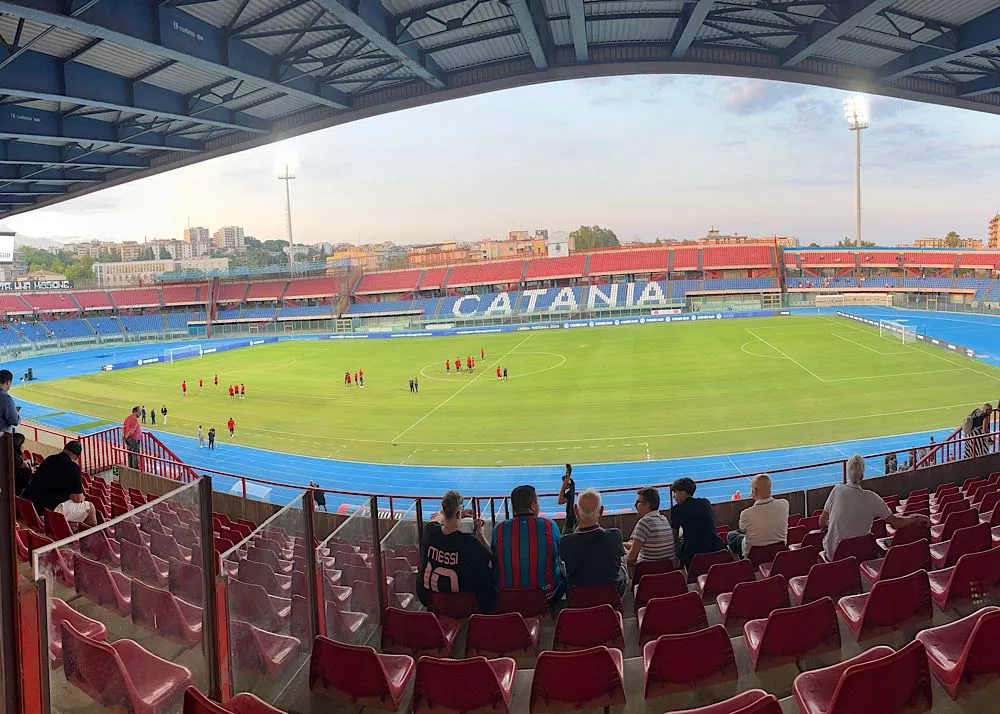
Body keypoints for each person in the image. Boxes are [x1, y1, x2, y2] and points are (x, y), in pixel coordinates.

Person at [819, 454, 930, 561]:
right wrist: (915, 517)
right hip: (862, 554)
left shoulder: (837, 490)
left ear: (848, 473)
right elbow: (896, 523)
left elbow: (822, 522)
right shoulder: (873, 498)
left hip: (834, 555)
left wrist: (835, 523)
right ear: (862, 475)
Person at [418, 490, 496, 613]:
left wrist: (452, 512)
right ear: (458, 514)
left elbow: (437, 519)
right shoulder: (469, 543)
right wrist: (480, 535)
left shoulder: (429, 531)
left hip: (431, 600)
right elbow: (492, 559)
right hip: (464, 605)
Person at [492, 485, 563, 602]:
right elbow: (559, 552)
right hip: (546, 595)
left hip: (507, 596)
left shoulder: (499, 529)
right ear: (533, 506)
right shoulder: (549, 525)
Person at [560, 488, 627, 596]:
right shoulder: (615, 535)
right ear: (601, 511)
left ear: (576, 510)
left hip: (579, 597)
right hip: (611, 595)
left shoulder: (565, 542)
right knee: (621, 558)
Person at [22, 441, 95, 526]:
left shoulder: (48, 459)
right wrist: (72, 496)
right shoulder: (74, 468)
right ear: (77, 457)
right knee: (90, 508)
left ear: (64, 449)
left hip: (31, 506)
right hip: (48, 511)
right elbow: (78, 499)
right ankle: (92, 538)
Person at [727, 474, 788, 559]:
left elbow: (742, 529)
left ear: (754, 490)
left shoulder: (746, 514)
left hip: (753, 556)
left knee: (731, 535)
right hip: (778, 552)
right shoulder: (784, 504)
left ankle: (737, 562)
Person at [669, 477, 725, 569]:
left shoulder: (677, 509)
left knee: (675, 545)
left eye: (675, 492)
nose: (673, 496)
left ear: (682, 493)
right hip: (716, 548)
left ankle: (678, 569)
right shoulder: (705, 503)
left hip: (693, 554)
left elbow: (674, 537)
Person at [627, 486, 676, 572]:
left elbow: (631, 558)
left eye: (638, 501)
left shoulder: (644, 523)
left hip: (647, 574)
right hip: (667, 572)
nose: (635, 505)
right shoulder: (664, 519)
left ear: (648, 504)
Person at [557, 463, 576, 534]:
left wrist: (563, 486)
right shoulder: (572, 485)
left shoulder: (569, 493)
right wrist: (568, 471)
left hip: (570, 520)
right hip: (571, 517)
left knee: (564, 537)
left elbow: (560, 501)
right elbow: (567, 477)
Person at [0, 369, 20, 434]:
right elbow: (14, 421)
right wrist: (16, 413)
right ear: (8, 382)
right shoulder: (6, 399)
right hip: (3, 437)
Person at [13, 432, 32, 496]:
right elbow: (25, 482)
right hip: (16, 492)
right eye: (23, 444)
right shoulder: (19, 462)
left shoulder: (8, 453)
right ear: (19, 445)